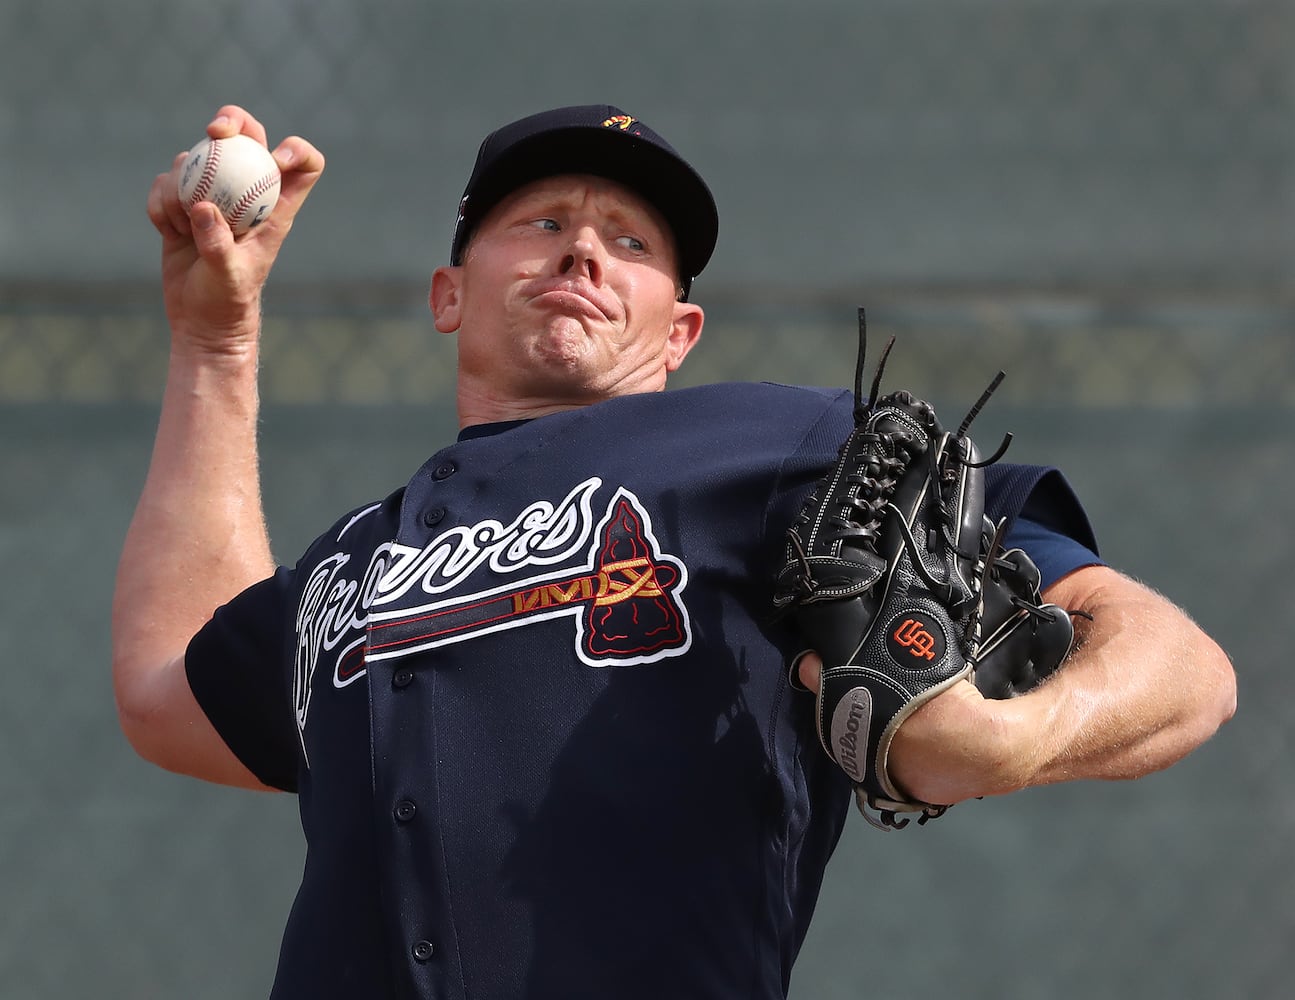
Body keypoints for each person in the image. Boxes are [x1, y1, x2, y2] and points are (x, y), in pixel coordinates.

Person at [115, 103, 1235, 1000]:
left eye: (632, 242)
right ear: (448, 294)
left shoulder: (783, 449)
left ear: (678, 332)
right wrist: (216, 342)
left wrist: (1015, 736)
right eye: (542, 221)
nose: (585, 251)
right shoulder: (355, 559)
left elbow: (1186, 670)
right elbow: (173, 693)